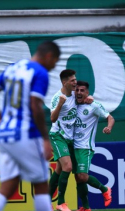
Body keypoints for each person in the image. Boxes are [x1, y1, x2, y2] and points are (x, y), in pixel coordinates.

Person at [0, 40, 60, 211]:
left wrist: (1, 120)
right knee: (41, 185)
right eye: (54, 61)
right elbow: (35, 105)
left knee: (8, 187)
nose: (53, 67)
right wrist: (45, 138)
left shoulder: (14, 68)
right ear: (49, 56)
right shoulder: (40, 72)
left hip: (4, 134)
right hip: (25, 133)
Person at [73, 80, 114, 211]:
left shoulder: (93, 106)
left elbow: (110, 117)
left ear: (87, 92)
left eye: (82, 90)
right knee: (78, 178)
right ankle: (85, 207)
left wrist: (108, 127)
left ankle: (104, 189)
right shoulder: (71, 104)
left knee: (82, 176)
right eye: (77, 90)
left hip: (85, 147)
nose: (79, 92)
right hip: (72, 147)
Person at [48, 69, 78, 211]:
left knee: (60, 169)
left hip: (69, 138)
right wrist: (60, 104)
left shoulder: (75, 94)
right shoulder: (57, 98)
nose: (75, 82)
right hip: (57, 136)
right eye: (72, 81)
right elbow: (52, 119)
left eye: (75, 80)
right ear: (64, 82)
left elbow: (85, 101)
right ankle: (60, 203)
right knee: (68, 166)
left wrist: (89, 100)